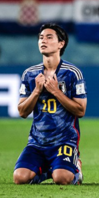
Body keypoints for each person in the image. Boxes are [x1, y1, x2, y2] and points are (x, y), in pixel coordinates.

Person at [13, 23, 86, 185]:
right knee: (19, 178)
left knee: (62, 178)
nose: (43, 41)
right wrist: (36, 92)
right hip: (37, 143)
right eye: (40, 37)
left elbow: (80, 110)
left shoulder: (72, 73)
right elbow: (22, 112)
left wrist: (56, 92)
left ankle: (75, 168)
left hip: (64, 141)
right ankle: (48, 170)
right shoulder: (30, 74)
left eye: (49, 37)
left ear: (61, 44)